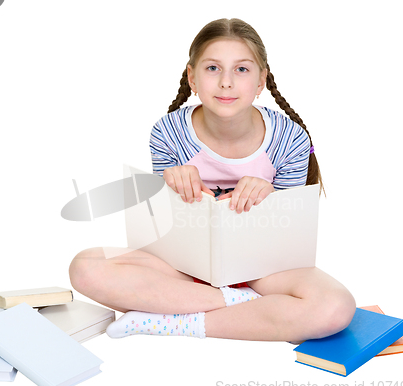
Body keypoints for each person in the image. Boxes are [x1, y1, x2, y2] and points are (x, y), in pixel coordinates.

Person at [69, 18, 355, 343]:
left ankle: (172, 322)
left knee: (335, 307)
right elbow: (160, 231)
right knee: (85, 266)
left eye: (242, 70)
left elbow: (290, 241)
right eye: (213, 69)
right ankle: (247, 307)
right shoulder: (168, 132)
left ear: (262, 80)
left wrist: (272, 195)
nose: (226, 83)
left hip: (265, 270)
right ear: (192, 76)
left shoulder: (290, 139)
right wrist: (169, 185)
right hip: (186, 267)